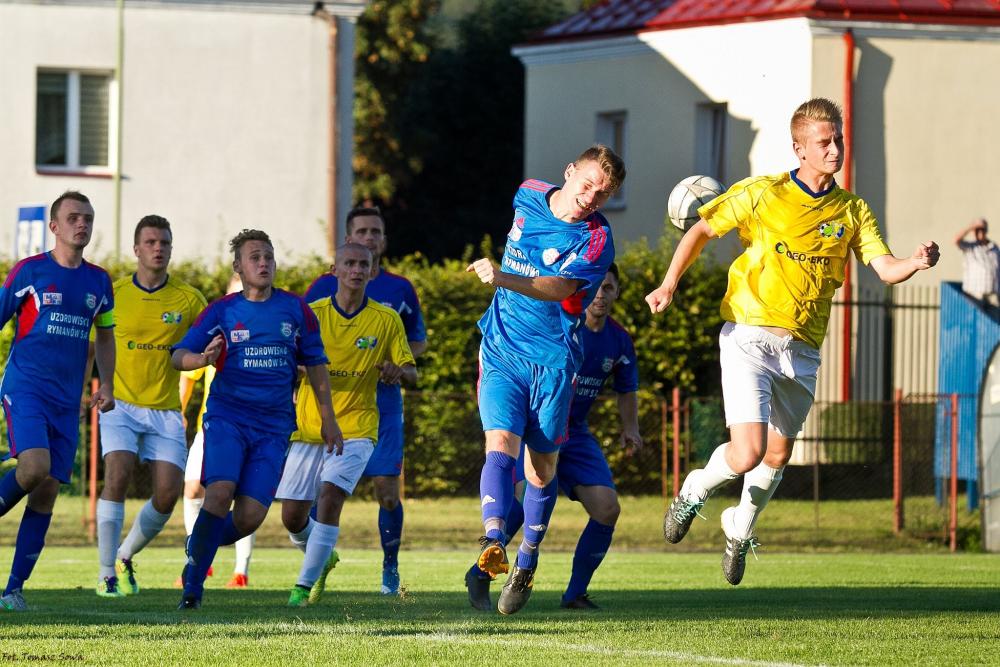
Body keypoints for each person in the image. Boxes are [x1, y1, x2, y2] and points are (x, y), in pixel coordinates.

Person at [646, 97, 940, 586]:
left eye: (839, 139)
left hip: (802, 348)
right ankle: (694, 490)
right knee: (748, 452)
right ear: (799, 148)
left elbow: (884, 269)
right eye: (824, 142)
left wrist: (914, 262)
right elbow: (701, 229)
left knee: (778, 456)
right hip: (749, 335)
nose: (835, 149)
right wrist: (670, 283)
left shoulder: (852, 210)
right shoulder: (763, 193)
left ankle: (739, 526)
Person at [467, 144, 624, 615]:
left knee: (541, 472)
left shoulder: (597, 241)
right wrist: (503, 281)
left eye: (603, 193)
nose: (591, 197)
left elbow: (559, 288)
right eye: (587, 184)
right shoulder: (528, 193)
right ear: (569, 171)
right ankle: (492, 540)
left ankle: (527, 560)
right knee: (499, 443)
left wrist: (503, 277)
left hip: (554, 363)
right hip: (500, 349)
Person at [170, 229, 342, 610]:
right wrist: (200, 359)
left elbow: (315, 365)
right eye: (254, 257)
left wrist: (328, 419)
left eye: (268, 256)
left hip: (274, 427)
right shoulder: (222, 311)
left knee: (248, 518)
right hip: (228, 418)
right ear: (239, 267)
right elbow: (178, 354)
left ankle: (199, 542)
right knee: (219, 492)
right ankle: (192, 590)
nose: (263, 263)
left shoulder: (296, 310)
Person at [464, 264, 641, 611]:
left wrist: (630, 427)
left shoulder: (619, 340)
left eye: (609, 288)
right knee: (517, 501)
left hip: (574, 434)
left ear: (617, 293)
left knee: (607, 509)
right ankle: (483, 570)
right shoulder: (555, 324)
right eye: (596, 287)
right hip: (531, 424)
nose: (600, 295)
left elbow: (627, 388)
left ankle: (574, 593)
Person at [280, 242, 417, 607]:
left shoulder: (386, 320)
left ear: (373, 272)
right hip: (309, 428)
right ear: (334, 270)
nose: (356, 270)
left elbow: (412, 371)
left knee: (330, 495)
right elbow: (287, 360)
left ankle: (302, 589)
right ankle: (323, 558)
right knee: (292, 517)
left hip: (358, 427)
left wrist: (398, 370)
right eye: (349, 263)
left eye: (364, 265)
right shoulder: (311, 315)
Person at [0, 191, 116, 611]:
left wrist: (107, 384)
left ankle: (12, 590)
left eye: (87, 217)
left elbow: (105, 335)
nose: (81, 224)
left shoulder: (99, 281)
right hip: (26, 386)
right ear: (54, 226)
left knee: (46, 491)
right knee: (35, 467)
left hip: (68, 402)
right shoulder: (28, 272)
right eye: (72, 218)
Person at [303, 206, 426, 595]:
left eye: (376, 233)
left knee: (388, 491)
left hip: (381, 405)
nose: (369, 238)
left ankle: (390, 565)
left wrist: (396, 363)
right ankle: (318, 560)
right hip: (325, 407)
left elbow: (416, 343)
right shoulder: (321, 289)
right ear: (346, 239)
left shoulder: (400, 290)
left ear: (383, 244)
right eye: (361, 232)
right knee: (315, 492)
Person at [93, 215, 207, 597]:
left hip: (165, 411)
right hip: (120, 404)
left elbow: (206, 343)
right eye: (151, 242)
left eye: (165, 243)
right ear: (137, 249)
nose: (158, 248)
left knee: (166, 495)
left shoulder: (190, 300)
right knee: (118, 475)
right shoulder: (115, 293)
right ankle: (107, 574)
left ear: (171, 249)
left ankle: (124, 556)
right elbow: (92, 344)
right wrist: (89, 387)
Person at [176, 274, 257, 590]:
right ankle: (197, 559)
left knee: (241, 501)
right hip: (210, 428)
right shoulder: (216, 333)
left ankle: (240, 571)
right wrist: (179, 411)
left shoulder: (263, 335)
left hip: (249, 431)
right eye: (235, 295)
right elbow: (189, 374)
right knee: (192, 490)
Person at [954, 218, 1000, 307]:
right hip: (975, 294)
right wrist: (971, 227)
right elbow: (956, 240)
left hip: (993, 293)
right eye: (977, 230)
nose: (979, 232)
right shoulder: (970, 246)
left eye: (982, 229)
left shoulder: (994, 247)